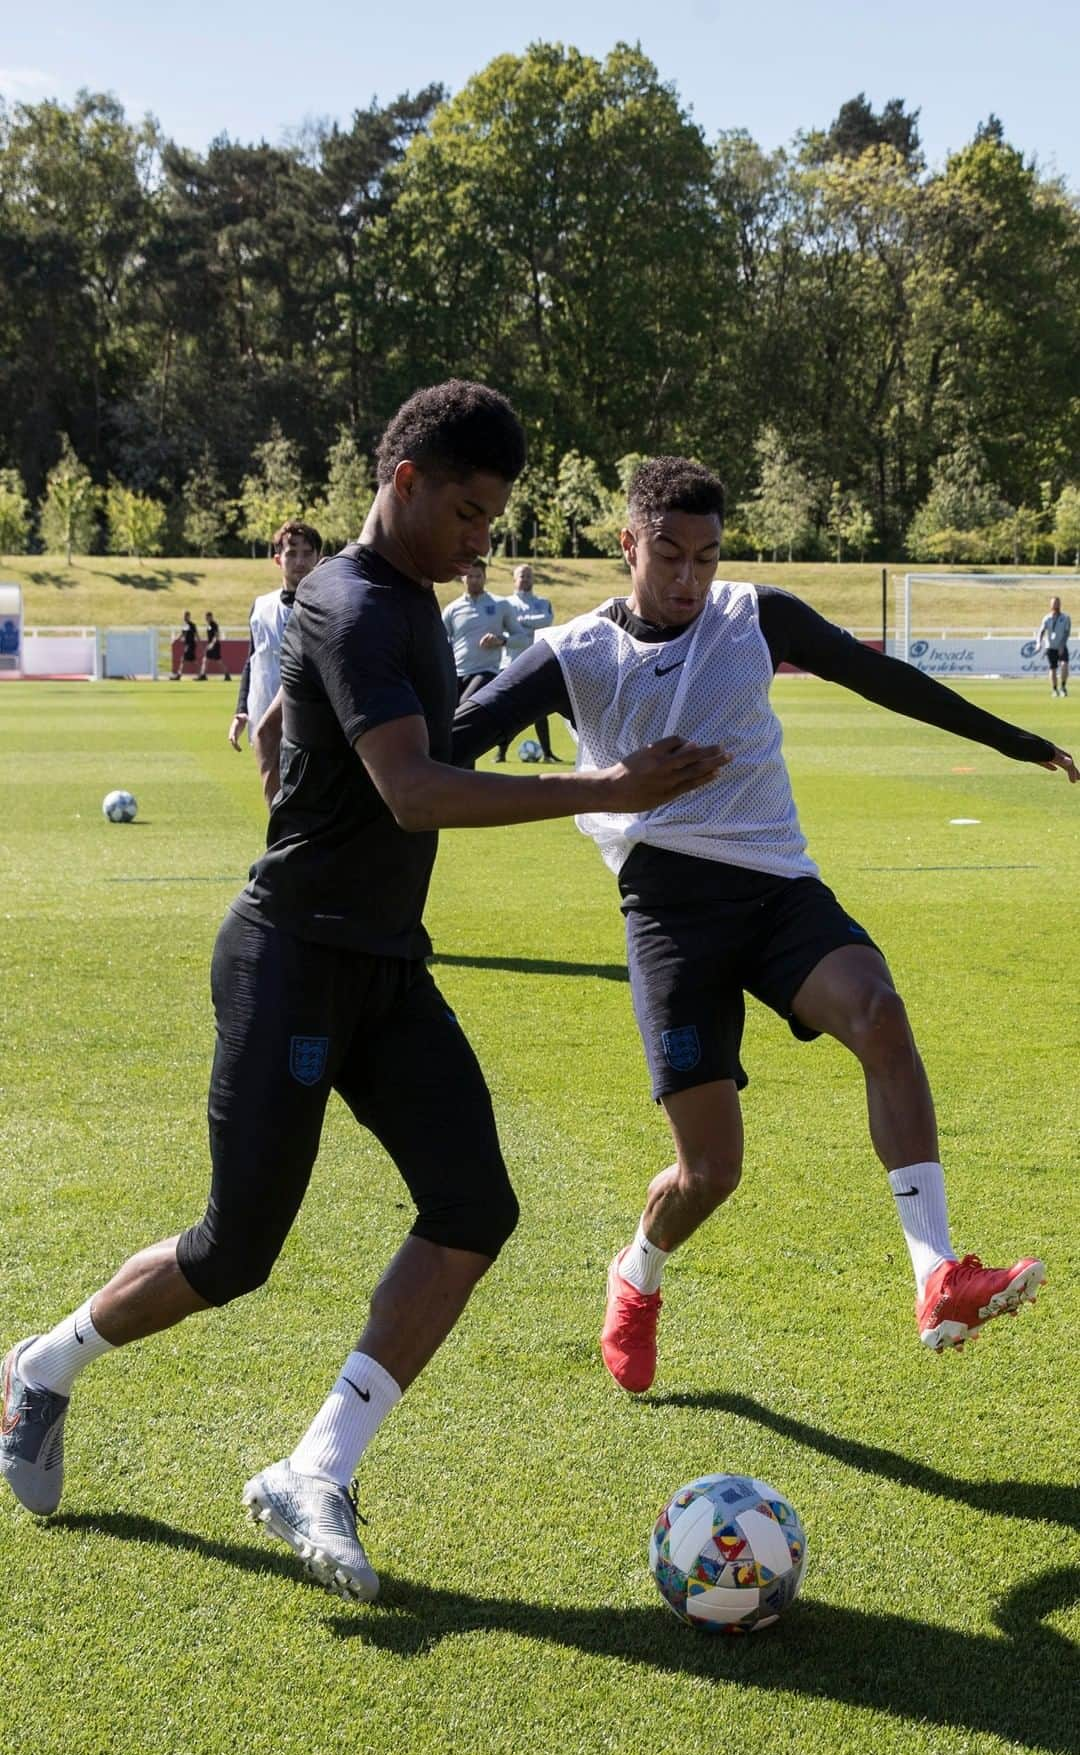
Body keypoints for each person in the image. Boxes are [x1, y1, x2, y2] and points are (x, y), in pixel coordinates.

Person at [0, 389, 724, 1602]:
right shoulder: (343, 601)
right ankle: (42, 1368)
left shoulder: (400, 607)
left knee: (473, 1207)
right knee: (236, 1252)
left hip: (384, 962)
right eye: (465, 510)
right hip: (290, 959)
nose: (479, 539)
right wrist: (611, 788)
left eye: (492, 516)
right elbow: (414, 792)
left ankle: (315, 1469)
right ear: (402, 480)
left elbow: (353, 733)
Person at [452, 456, 1078, 1389]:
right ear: (628, 545)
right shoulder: (576, 653)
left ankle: (935, 1272)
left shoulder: (755, 615)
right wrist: (603, 786)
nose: (689, 579)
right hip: (666, 908)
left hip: (777, 886)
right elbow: (441, 752)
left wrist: (1021, 743)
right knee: (711, 1172)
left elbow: (890, 684)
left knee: (881, 1014)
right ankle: (639, 1270)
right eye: (668, 556)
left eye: (706, 557)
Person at [228, 522, 323, 752]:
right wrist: (242, 710)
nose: (300, 562)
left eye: (307, 554)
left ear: (319, 557)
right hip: (266, 728)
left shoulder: (330, 607)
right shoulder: (261, 607)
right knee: (272, 789)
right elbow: (253, 661)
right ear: (278, 559)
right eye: (291, 554)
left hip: (314, 729)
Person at [441, 558, 524, 761]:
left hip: (486, 671)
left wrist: (501, 641)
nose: (474, 580)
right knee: (447, 721)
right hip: (457, 673)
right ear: (462, 578)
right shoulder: (452, 609)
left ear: (485, 578)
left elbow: (522, 638)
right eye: (470, 576)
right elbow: (440, 640)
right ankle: (460, 771)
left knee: (464, 707)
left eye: (478, 576)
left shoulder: (500, 605)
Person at [504, 563, 560, 761]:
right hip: (510, 663)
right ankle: (500, 754)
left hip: (536, 662)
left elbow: (546, 620)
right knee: (507, 710)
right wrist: (528, 625)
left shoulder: (542, 602)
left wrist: (520, 622)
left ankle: (547, 754)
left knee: (540, 709)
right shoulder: (506, 604)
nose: (525, 579)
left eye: (529, 575)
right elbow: (508, 629)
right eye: (521, 575)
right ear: (514, 579)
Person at [1037, 595, 1071, 697]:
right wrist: (1039, 643)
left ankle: (1063, 687)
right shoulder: (1047, 618)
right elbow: (1041, 631)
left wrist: (1062, 645)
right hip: (1050, 647)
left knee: (1064, 665)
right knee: (1053, 668)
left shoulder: (1065, 618)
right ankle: (1054, 689)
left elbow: (1066, 632)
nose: (1056, 605)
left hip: (1061, 646)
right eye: (1054, 603)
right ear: (1050, 605)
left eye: (1057, 603)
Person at [197, 610, 230, 681]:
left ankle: (227, 674)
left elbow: (216, 636)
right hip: (210, 645)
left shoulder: (214, 625)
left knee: (218, 661)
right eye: (206, 617)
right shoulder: (208, 625)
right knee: (205, 660)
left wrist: (212, 644)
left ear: (210, 617)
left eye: (207, 617)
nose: (206, 619)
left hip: (215, 645)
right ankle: (203, 675)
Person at [169, 610, 199, 680]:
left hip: (190, 645)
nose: (184, 617)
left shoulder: (189, 625)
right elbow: (186, 634)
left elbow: (185, 634)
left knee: (184, 660)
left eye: (186, 616)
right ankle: (200, 674)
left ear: (189, 616)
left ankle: (179, 675)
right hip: (190, 645)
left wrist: (176, 640)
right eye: (184, 616)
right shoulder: (189, 625)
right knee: (193, 661)